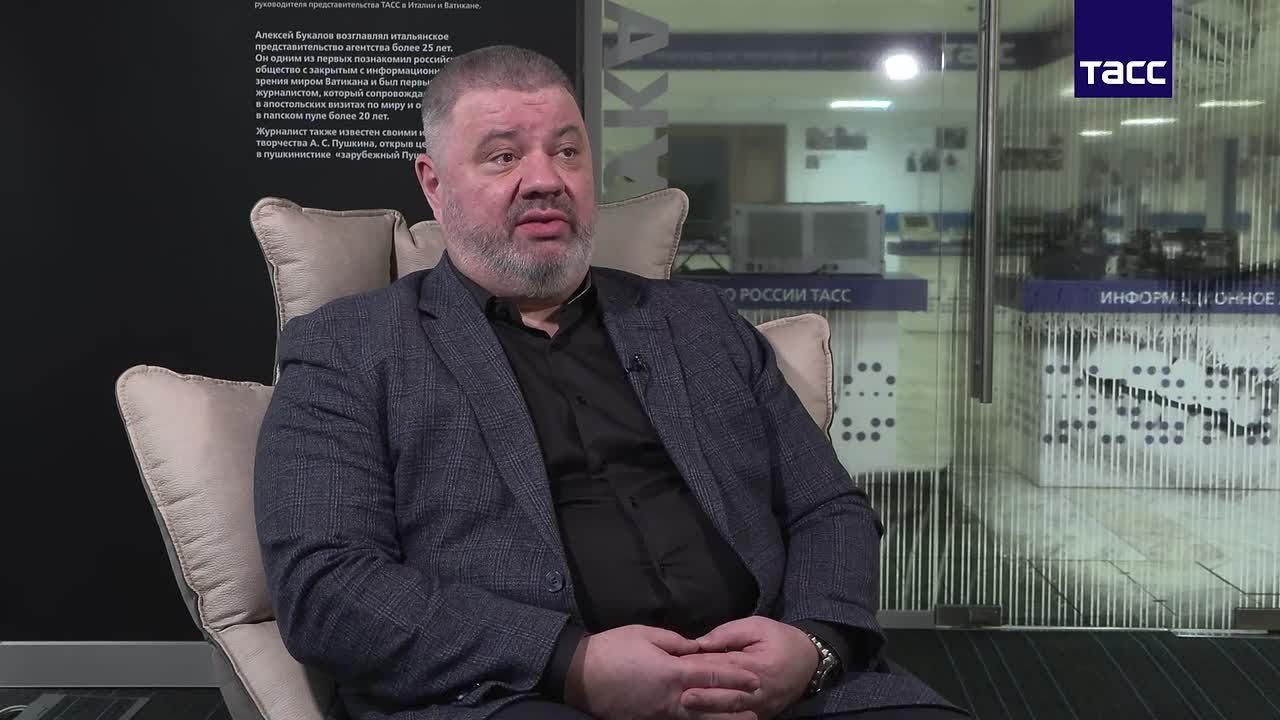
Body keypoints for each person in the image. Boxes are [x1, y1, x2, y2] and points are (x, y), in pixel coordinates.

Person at [253, 45, 967, 720]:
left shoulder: (697, 321)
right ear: (434, 185)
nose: (546, 179)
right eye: (504, 156)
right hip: (515, 696)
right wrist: (573, 663)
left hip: (777, 689)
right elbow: (328, 587)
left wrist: (813, 645)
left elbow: (827, 505)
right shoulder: (348, 349)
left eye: (568, 151)